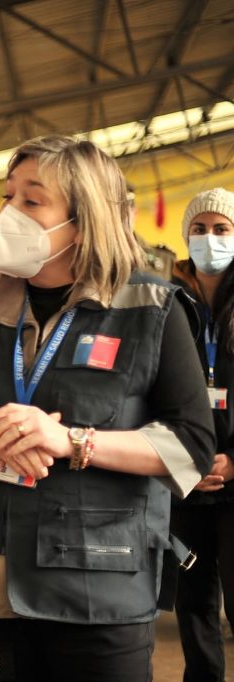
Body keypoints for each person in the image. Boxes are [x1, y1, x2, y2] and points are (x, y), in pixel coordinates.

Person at [0, 134, 215, 681]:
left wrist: (70, 441)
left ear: (84, 219)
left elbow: (192, 445)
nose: (10, 213)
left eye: (32, 200)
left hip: (101, 589)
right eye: (8, 197)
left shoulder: (151, 308)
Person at [170, 188, 234, 682]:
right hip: (184, 480)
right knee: (192, 602)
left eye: (222, 229)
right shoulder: (169, 303)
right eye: (200, 228)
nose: (209, 238)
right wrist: (180, 460)